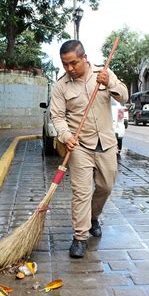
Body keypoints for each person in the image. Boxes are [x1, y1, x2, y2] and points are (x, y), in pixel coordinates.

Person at [50, 40, 128, 258]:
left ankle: (93, 216)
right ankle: (80, 237)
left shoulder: (103, 73)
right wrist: (66, 136)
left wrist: (110, 84)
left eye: (73, 63)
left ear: (84, 58)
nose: (69, 69)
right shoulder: (61, 86)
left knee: (106, 185)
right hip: (80, 146)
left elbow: (124, 96)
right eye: (65, 64)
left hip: (106, 142)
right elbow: (57, 116)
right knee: (81, 192)